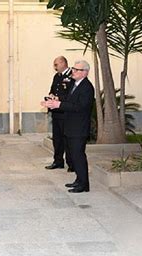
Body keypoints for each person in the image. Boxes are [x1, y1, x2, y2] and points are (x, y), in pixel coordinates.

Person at [44, 60, 95, 193]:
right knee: (73, 155)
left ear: (85, 73)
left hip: (79, 128)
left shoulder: (87, 87)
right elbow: (68, 99)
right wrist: (56, 100)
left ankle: (84, 185)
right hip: (71, 126)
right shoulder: (75, 84)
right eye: (73, 69)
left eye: (77, 70)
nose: (74, 72)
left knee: (78, 155)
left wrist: (59, 105)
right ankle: (79, 179)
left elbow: (80, 107)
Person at [45, 56, 74, 172]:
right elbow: (53, 90)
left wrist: (59, 98)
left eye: (56, 65)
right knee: (57, 139)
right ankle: (58, 161)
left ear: (63, 63)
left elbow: (71, 95)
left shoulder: (72, 75)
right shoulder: (57, 76)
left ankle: (71, 164)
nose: (55, 67)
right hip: (56, 112)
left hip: (66, 113)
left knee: (67, 139)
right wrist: (51, 96)